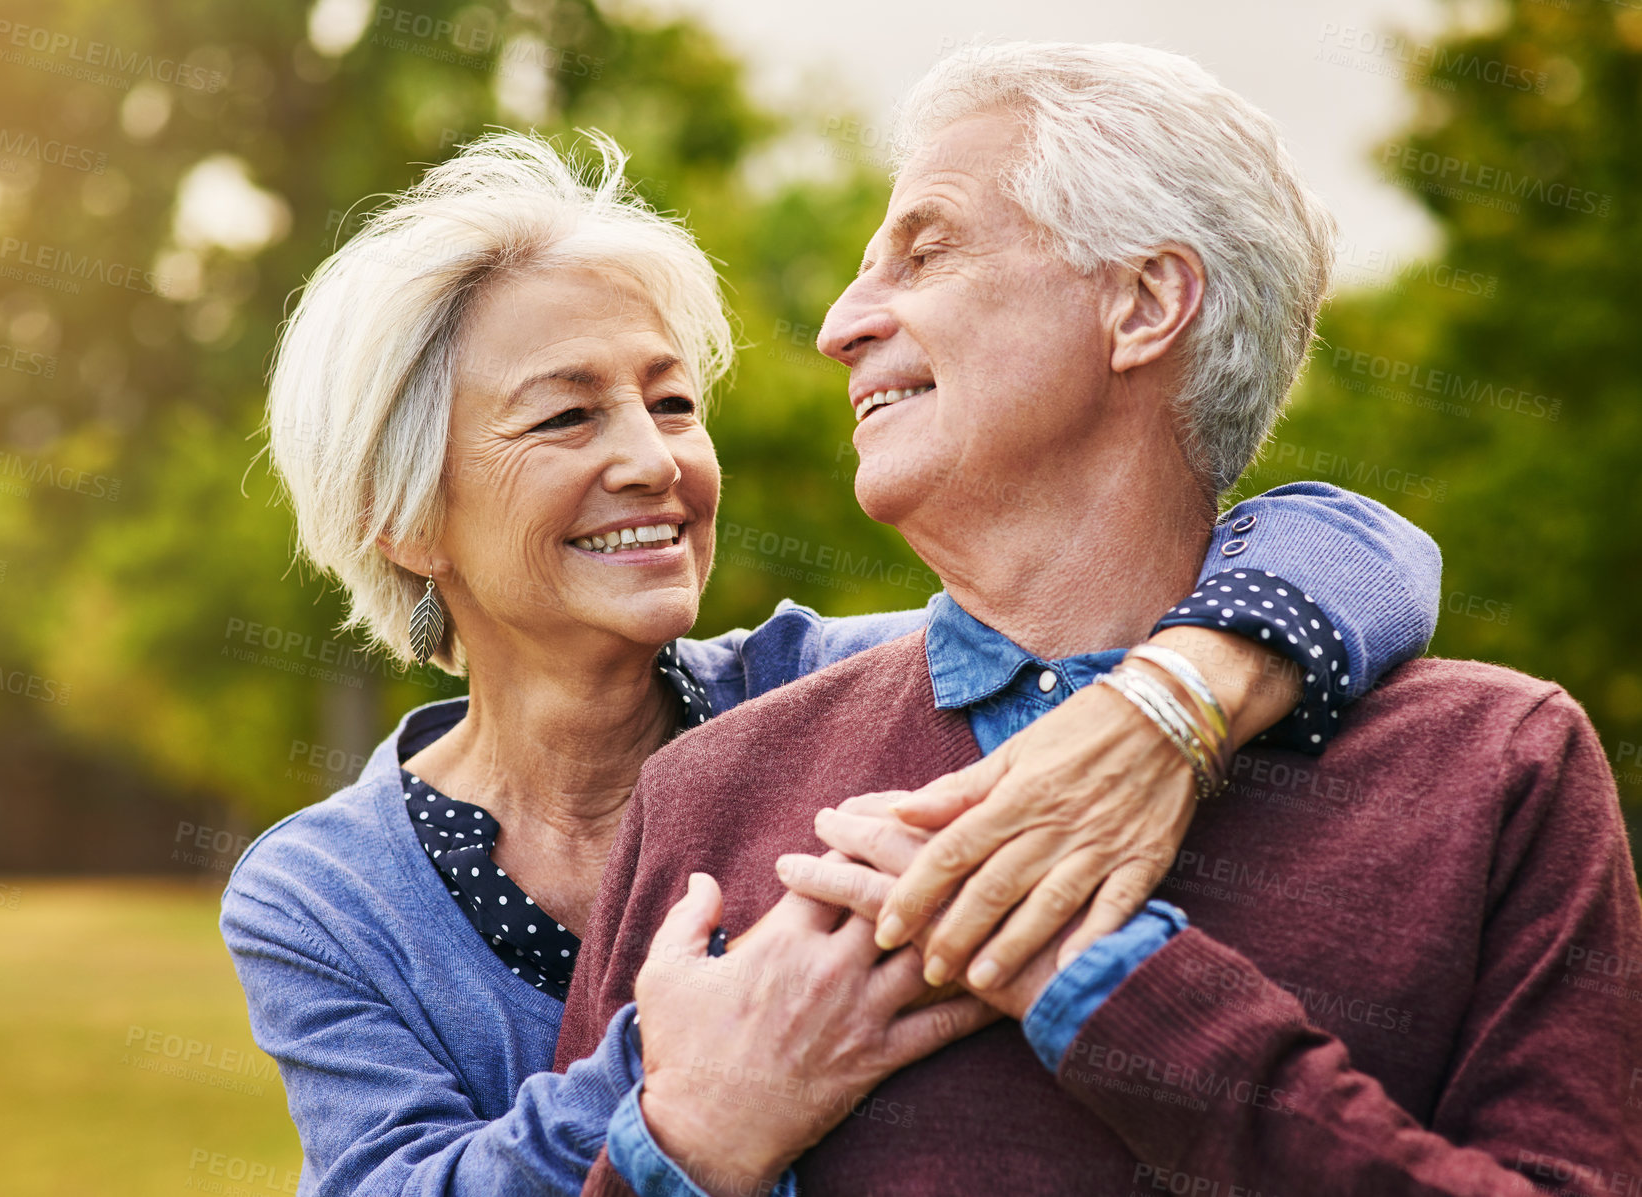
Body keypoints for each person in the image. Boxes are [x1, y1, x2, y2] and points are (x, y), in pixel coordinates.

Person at [222, 129, 1440, 1197]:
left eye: (674, 403)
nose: (654, 461)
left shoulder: (836, 689)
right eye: (564, 416)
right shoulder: (327, 893)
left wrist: (1166, 706)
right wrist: (694, 1072)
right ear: (403, 516)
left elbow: (1360, 542)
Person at [554, 42, 1642, 1197]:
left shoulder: (1499, 767)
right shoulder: (707, 792)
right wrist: (686, 1150)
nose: (838, 324)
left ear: (1143, 303)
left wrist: (1118, 993)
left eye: (924, 252)